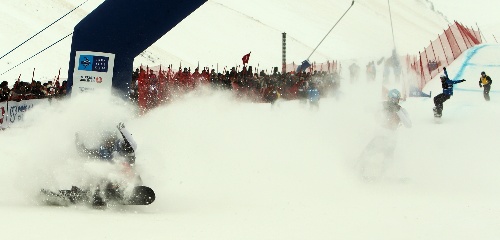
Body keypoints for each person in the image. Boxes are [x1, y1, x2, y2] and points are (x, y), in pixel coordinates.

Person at [74, 122, 140, 206]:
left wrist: (123, 131)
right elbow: (84, 152)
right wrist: (78, 141)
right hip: (109, 179)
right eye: (104, 139)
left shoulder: (121, 146)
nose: (107, 141)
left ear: (114, 138)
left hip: (126, 176)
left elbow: (132, 145)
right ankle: (90, 192)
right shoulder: (101, 149)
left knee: (122, 166)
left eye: (109, 139)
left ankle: (128, 190)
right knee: (95, 169)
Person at [358, 89, 411, 179]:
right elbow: (367, 108)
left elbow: (408, 124)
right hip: (380, 136)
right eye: (392, 99)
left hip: (391, 138)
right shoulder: (383, 105)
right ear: (388, 99)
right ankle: (359, 169)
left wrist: (398, 111)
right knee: (367, 153)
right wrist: (380, 106)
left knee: (388, 158)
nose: (393, 102)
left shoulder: (401, 110)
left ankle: (384, 175)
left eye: (396, 100)